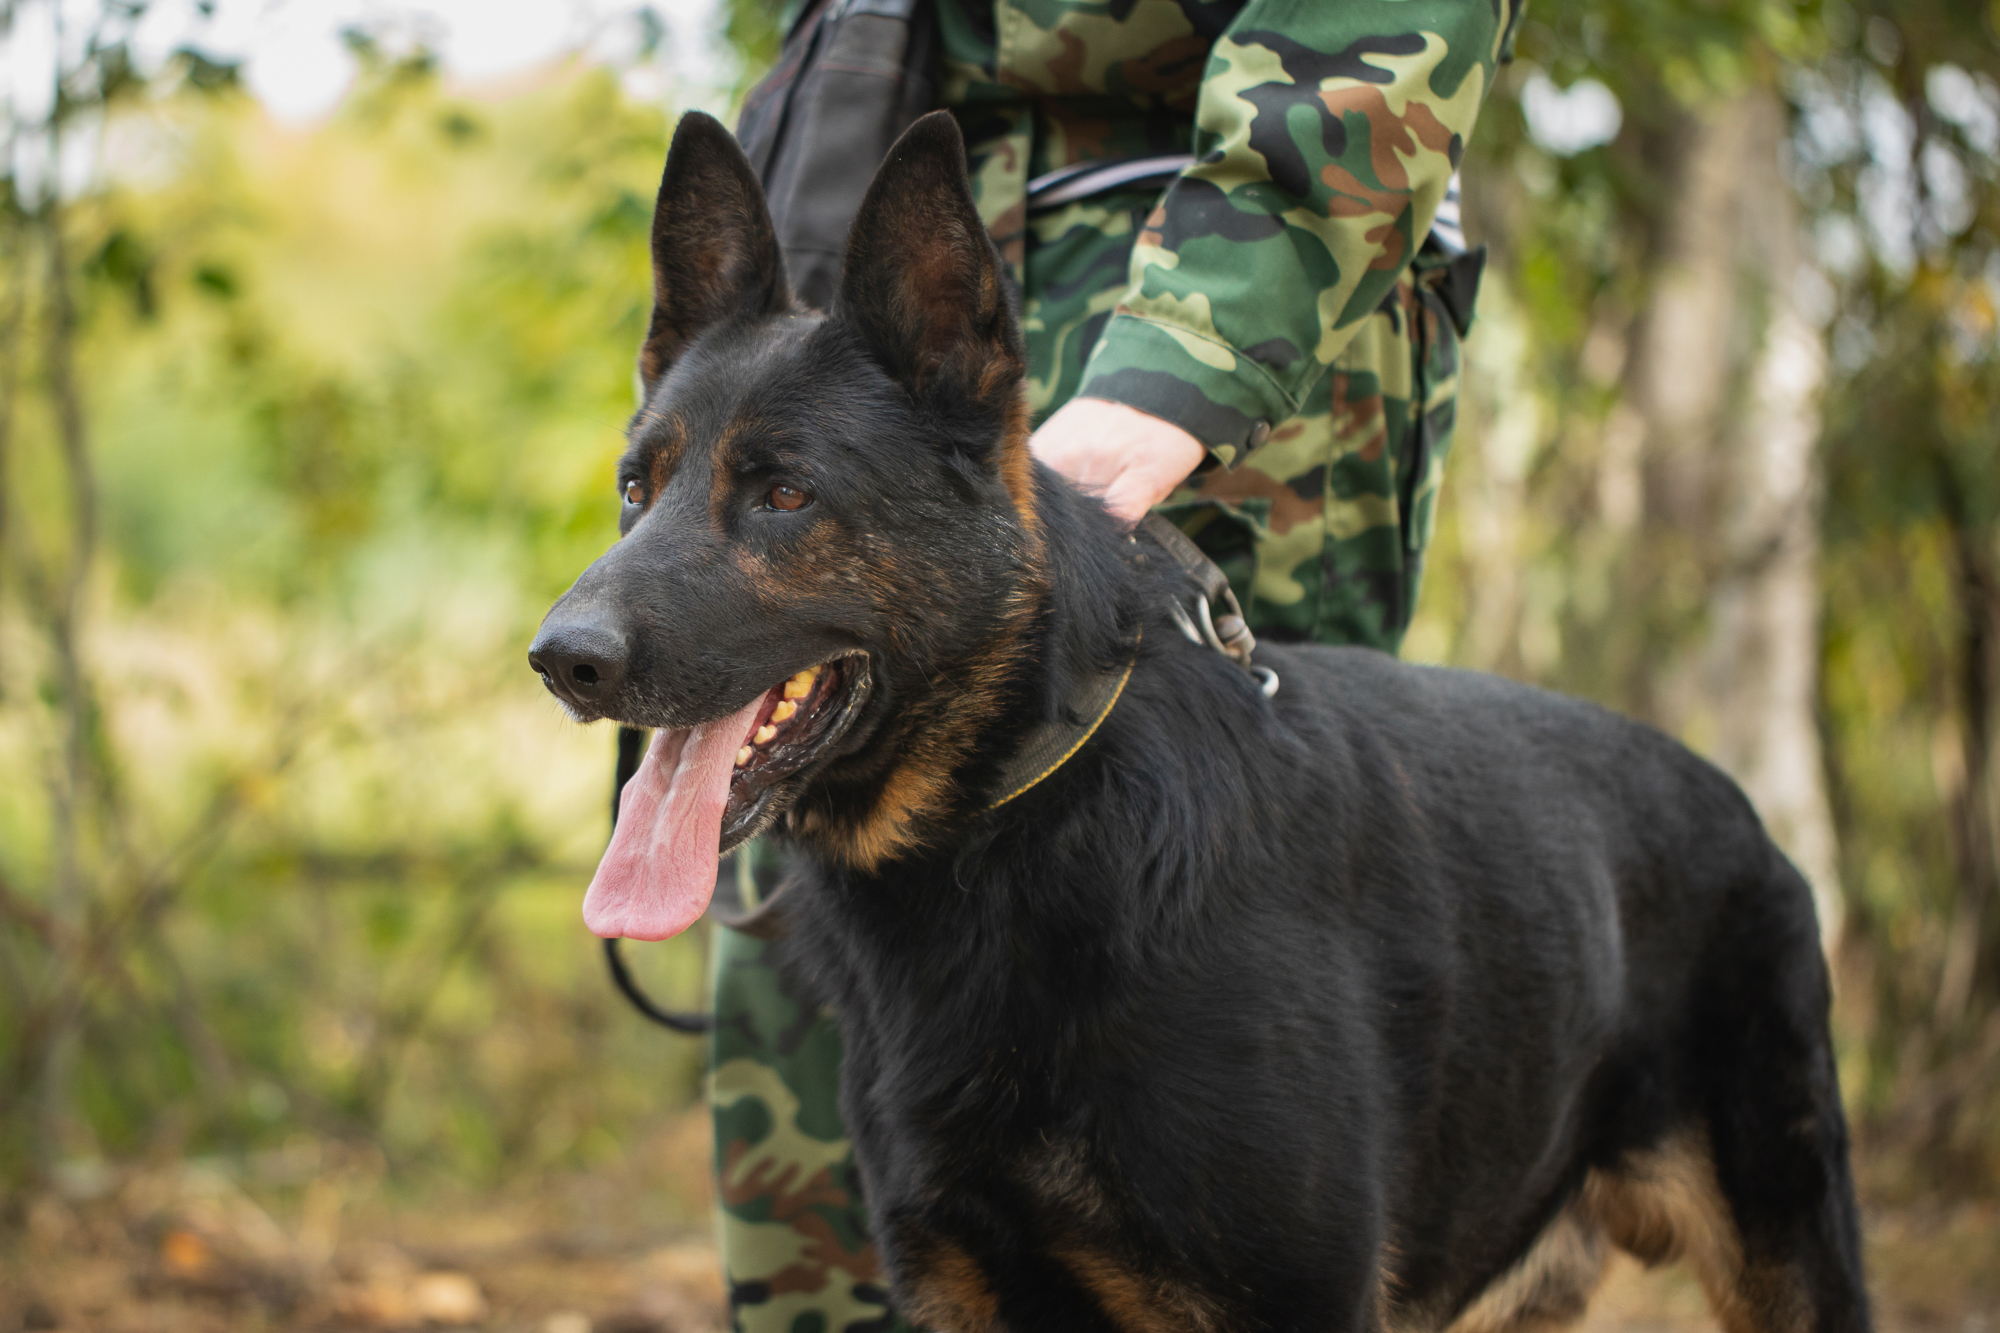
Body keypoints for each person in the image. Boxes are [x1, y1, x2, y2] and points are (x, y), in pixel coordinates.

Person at [706, 2, 1520, 1327]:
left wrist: (1176, 370)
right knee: (812, 1014)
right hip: (857, 298)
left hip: (1211, 320)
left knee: (1211, 1002)